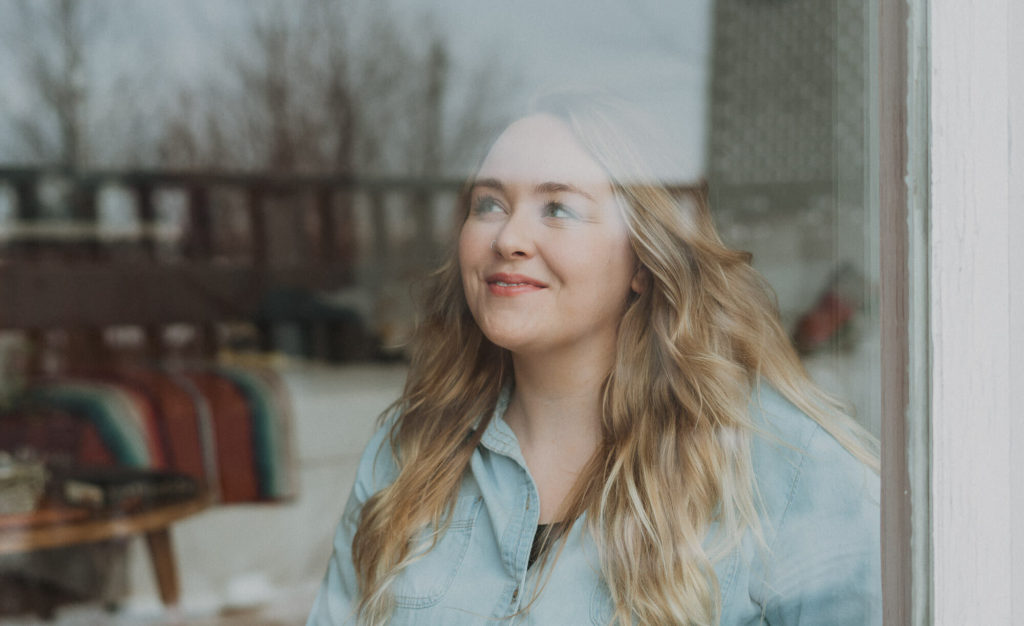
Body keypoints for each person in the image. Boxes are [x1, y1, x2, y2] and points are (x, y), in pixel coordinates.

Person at [307, 94, 880, 625]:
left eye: (558, 208)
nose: (509, 237)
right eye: (488, 203)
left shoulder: (791, 467)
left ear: (642, 259)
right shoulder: (408, 455)